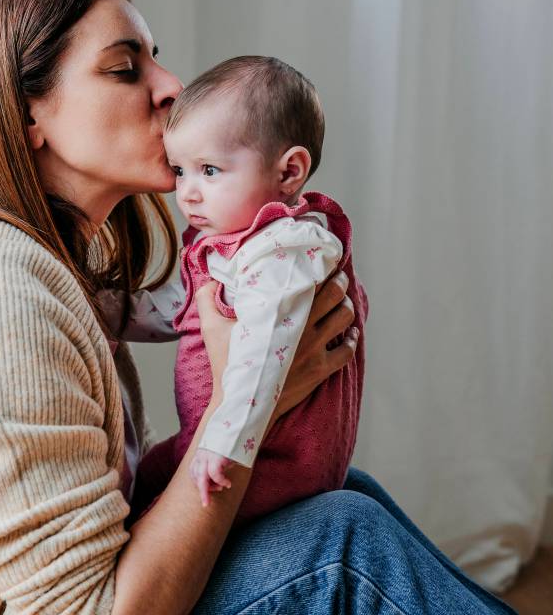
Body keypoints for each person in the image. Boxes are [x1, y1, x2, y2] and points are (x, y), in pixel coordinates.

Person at [0, 0, 517, 614]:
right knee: (340, 544)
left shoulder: (47, 270)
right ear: (29, 113)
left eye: (156, 61)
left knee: (341, 499)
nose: (171, 87)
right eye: (126, 68)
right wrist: (243, 408)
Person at [101, 55, 367, 525]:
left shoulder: (287, 249)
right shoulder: (226, 247)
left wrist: (221, 444)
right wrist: (104, 310)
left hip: (271, 461)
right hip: (219, 438)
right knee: (138, 487)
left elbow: (263, 351)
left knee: (152, 516)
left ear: (289, 173)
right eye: (179, 170)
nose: (187, 193)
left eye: (209, 170)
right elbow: (183, 310)